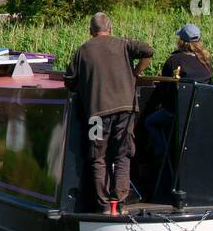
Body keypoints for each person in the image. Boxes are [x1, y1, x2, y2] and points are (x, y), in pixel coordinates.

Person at [63, 11, 153, 212]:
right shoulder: (123, 44)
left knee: (98, 156)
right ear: (110, 28)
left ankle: (103, 204)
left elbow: (69, 81)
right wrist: (136, 73)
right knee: (123, 155)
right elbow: (148, 51)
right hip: (126, 109)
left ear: (90, 31)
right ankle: (119, 201)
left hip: (97, 113)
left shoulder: (82, 51)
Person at [146, 24, 213, 158]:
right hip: (200, 115)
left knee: (150, 122)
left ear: (181, 41)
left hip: (178, 113)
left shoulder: (174, 60)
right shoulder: (205, 62)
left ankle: (164, 155)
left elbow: (164, 90)